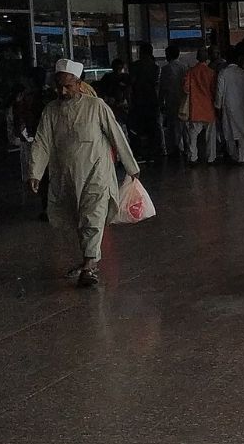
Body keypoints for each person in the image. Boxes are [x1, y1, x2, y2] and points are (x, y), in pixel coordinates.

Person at [27, 58, 140, 287]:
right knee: (78, 218)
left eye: (68, 85)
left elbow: (116, 134)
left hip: (96, 173)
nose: (63, 90)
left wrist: (132, 168)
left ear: (79, 83)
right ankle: (89, 258)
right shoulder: (51, 111)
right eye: (59, 86)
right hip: (65, 176)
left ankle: (89, 265)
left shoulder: (96, 106)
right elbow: (42, 142)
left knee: (93, 215)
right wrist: (35, 172)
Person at [182, 47, 218, 164]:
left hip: (195, 107)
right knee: (210, 136)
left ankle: (193, 157)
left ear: (197, 57)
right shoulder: (211, 73)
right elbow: (214, 90)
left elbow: (186, 89)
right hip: (209, 108)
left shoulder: (191, 72)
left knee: (193, 134)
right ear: (207, 58)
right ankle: (211, 158)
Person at [216, 51, 244, 163]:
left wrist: (218, 105)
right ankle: (242, 156)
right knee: (242, 131)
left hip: (228, 105)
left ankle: (233, 155)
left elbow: (219, 91)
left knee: (229, 132)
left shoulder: (223, 73)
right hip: (241, 106)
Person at [129, 49, 161, 163]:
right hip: (151, 100)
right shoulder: (155, 67)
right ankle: (153, 153)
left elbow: (131, 83)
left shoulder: (135, 66)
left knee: (138, 128)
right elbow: (156, 84)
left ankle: (139, 153)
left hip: (138, 101)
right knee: (153, 128)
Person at [158, 44, 186, 160]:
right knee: (183, 126)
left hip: (171, 101)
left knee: (172, 126)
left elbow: (162, 88)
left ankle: (175, 148)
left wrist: (161, 102)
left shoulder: (165, 69)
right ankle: (185, 147)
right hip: (183, 101)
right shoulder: (184, 67)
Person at [97, 58, 132, 127]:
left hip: (119, 105)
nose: (118, 70)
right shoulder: (109, 77)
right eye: (117, 68)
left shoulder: (124, 77)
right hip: (112, 104)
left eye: (119, 68)